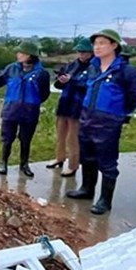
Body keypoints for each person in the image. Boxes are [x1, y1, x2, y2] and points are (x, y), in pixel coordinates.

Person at [66, 29, 136, 215]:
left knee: (107, 162)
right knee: (87, 157)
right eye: (95, 44)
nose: (97, 47)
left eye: (102, 43)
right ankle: (86, 189)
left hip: (108, 122)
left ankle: (105, 200)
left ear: (114, 45)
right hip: (87, 118)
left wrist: (120, 113)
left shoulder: (125, 71)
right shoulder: (93, 67)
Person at [0, 41, 51, 177]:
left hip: (30, 112)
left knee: (26, 139)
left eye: (21, 53)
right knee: (7, 138)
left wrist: (33, 102)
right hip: (11, 110)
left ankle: (24, 164)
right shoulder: (11, 69)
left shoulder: (42, 74)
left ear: (29, 55)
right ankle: (3, 162)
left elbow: (44, 93)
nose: (18, 55)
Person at [46, 38, 94, 177]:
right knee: (60, 133)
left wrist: (71, 80)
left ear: (90, 52)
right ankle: (59, 157)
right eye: (80, 51)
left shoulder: (94, 68)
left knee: (73, 137)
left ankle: (73, 165)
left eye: (84, 52)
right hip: (65, 102)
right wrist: (61, 80)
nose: (81, 54)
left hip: (79, 105)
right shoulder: (71, 65)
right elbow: (58, 85)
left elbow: (89, 85)